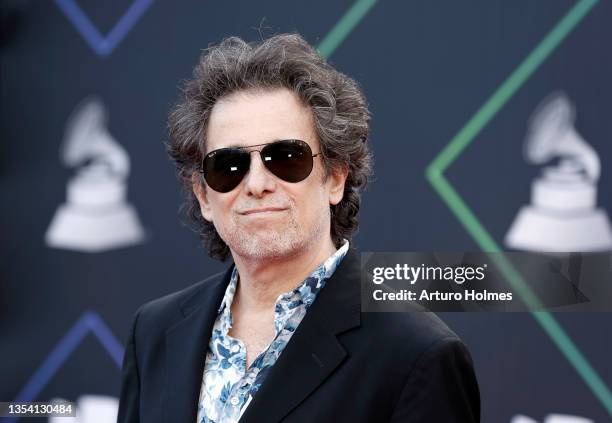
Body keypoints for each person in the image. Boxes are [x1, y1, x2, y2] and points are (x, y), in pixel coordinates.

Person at [117, 33, 480, 423]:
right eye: (228, 165)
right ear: (204, 195)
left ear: (336, 177)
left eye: (286, 158)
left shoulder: (417, 354)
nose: (256, 184)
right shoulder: (155, 332)